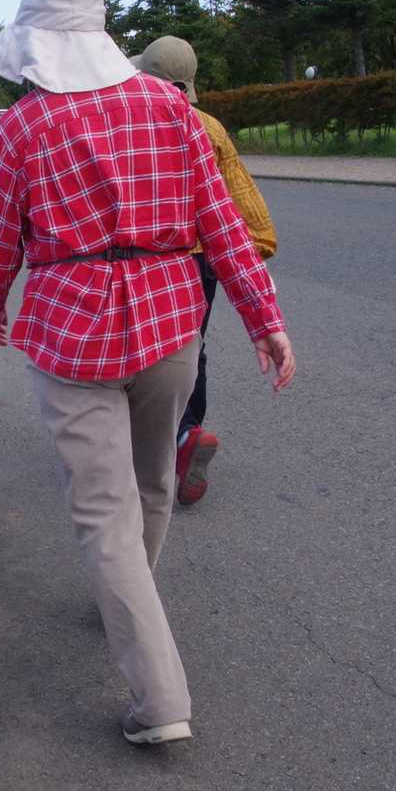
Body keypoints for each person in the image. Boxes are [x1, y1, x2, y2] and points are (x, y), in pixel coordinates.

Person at [0, 0, 296, 746]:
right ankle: (129, 599)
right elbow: (222, 224)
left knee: (102, 511)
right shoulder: (169, 106)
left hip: (71, 331)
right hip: (171, 319)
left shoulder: (23, 125)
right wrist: (264, 319)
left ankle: (160, 702)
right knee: (152, 483)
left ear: (37, 46)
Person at [132, 35, 279, 506]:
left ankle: (147, 445)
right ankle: (186, 432)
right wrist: (237, 254)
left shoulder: (130, 121)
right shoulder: (210, 127)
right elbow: (251, 213)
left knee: (138, 350)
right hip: (202, 260)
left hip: (147, 256)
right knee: (190, 348)